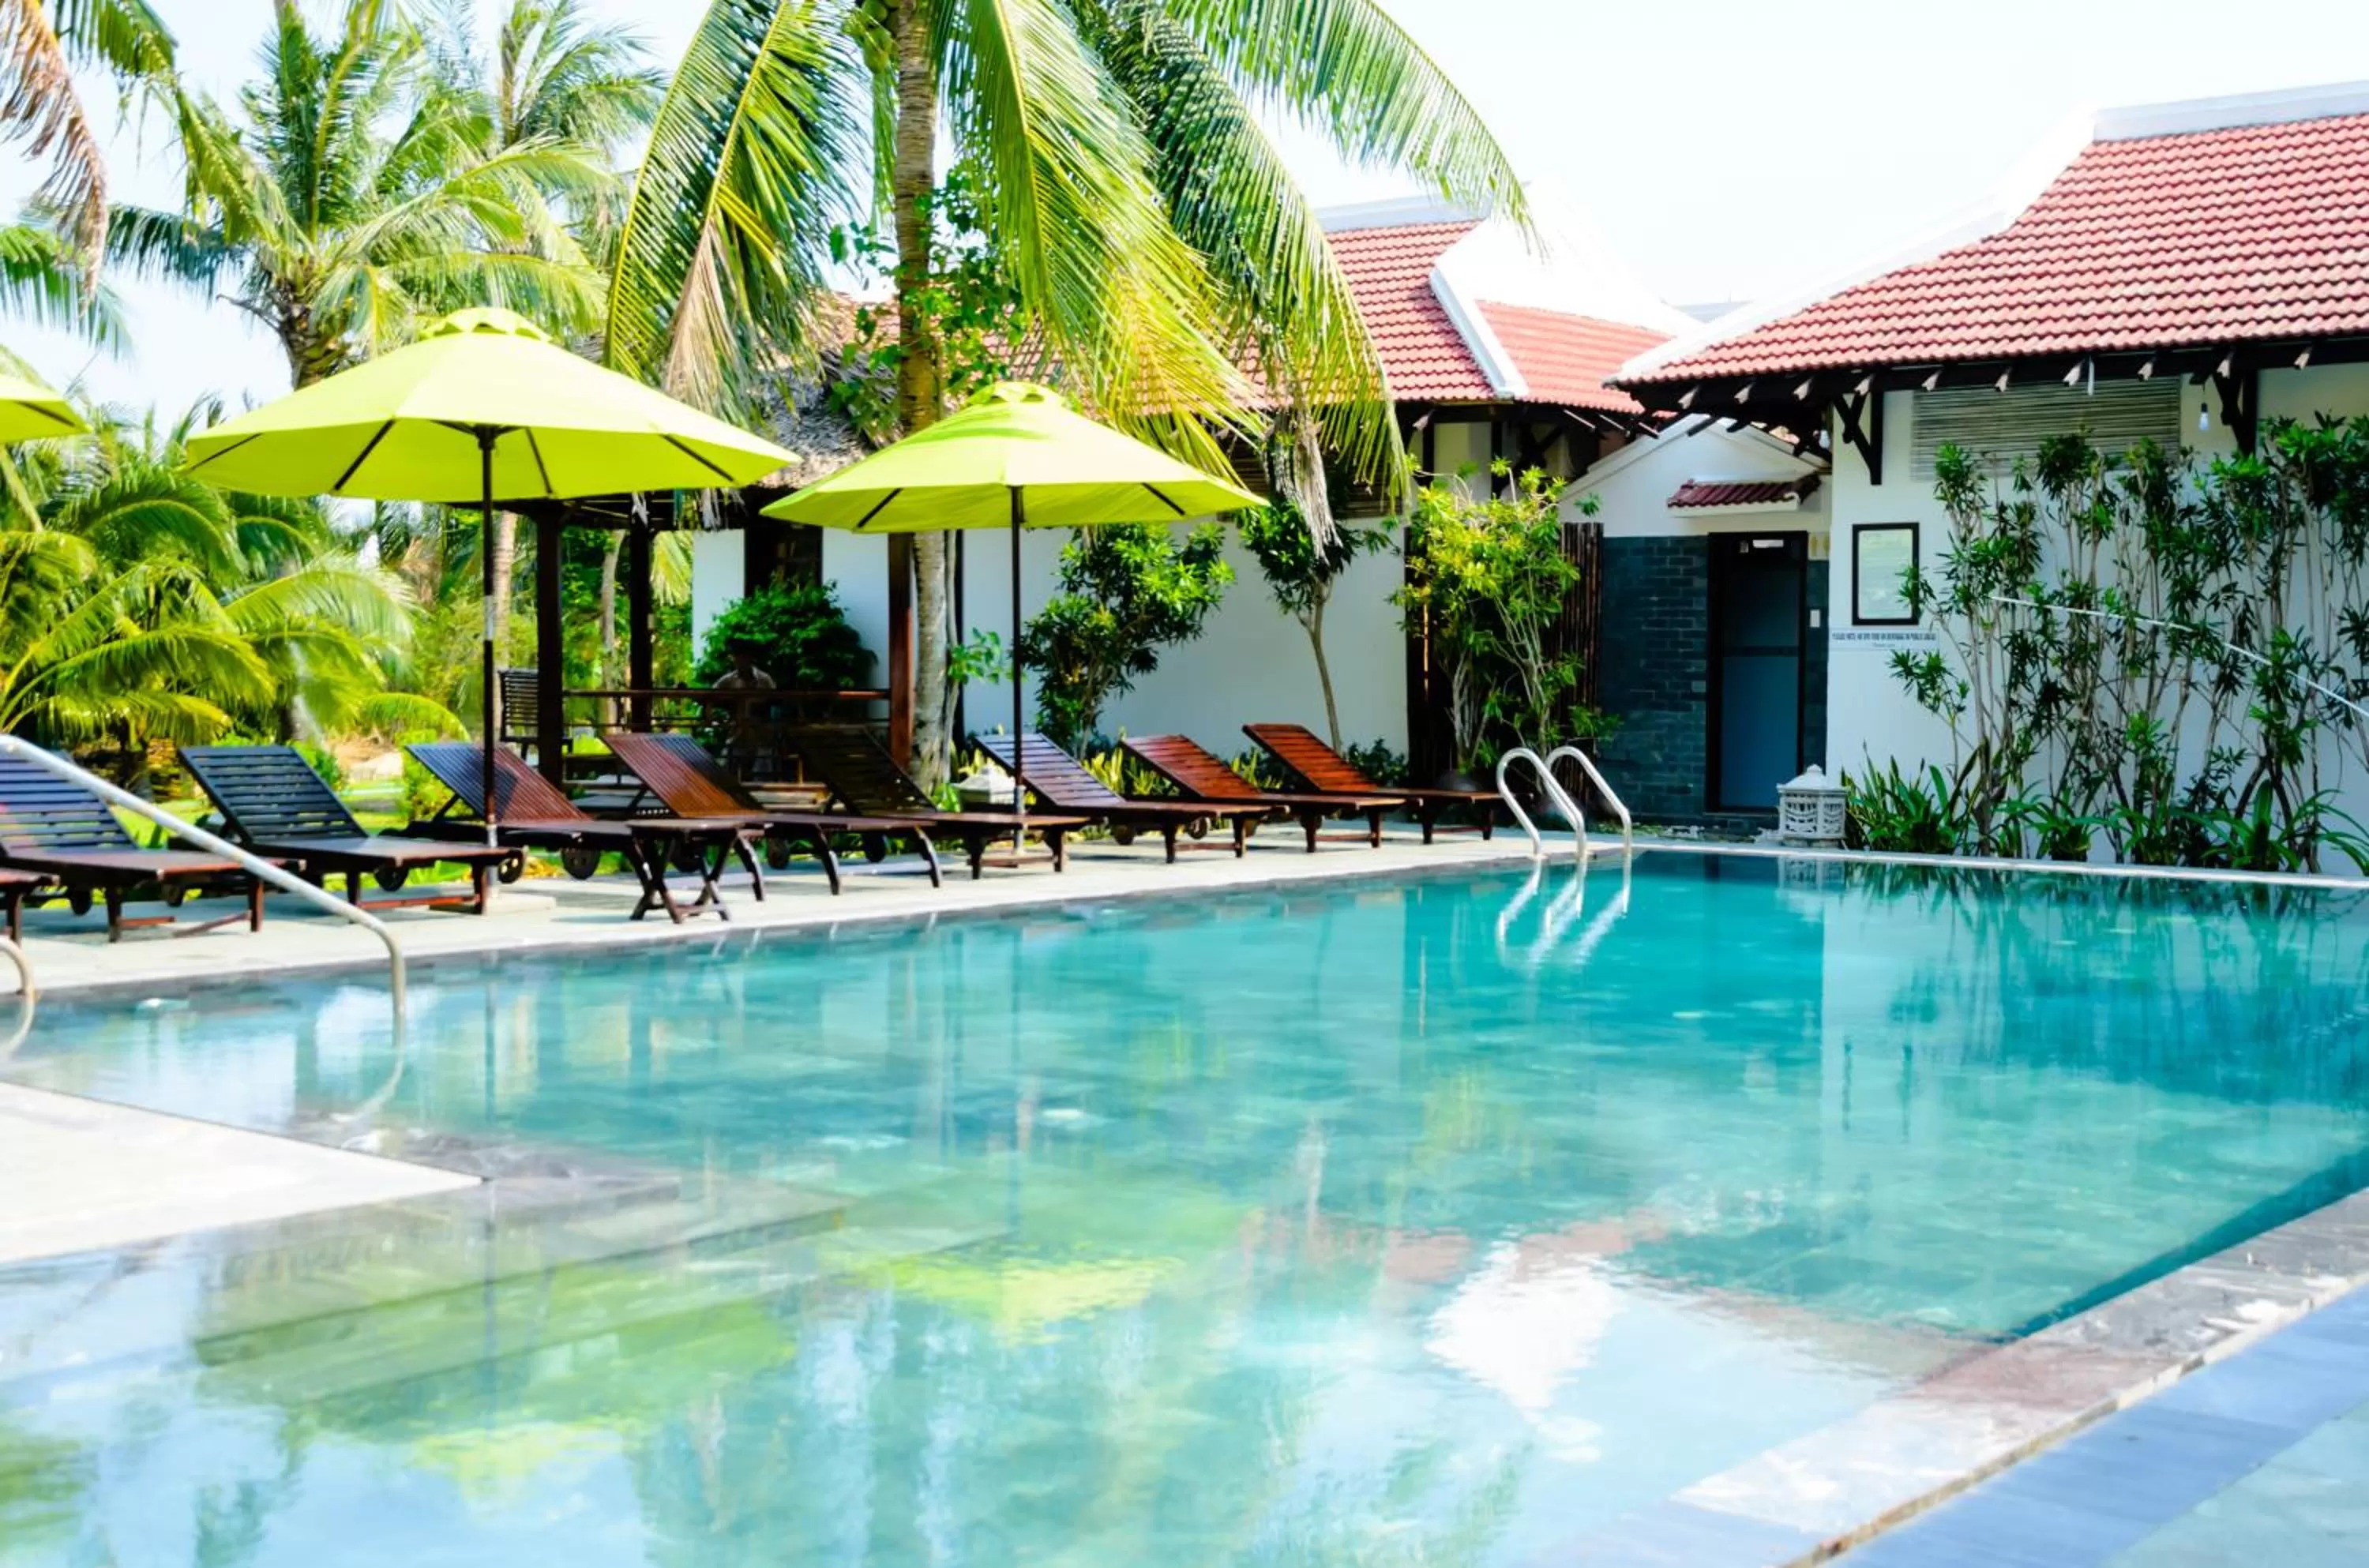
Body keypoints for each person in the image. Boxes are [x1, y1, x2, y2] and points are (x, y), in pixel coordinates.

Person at [709, 640, 777, 771]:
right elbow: (710, 696)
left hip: (761, 734)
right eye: (737, 657)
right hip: (738, 734)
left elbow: (776, 701)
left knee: (762, 773)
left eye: (743, 657)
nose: (740, 660)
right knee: (724, 771)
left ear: (750, 658)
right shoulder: (728, 680)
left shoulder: (764, 680)